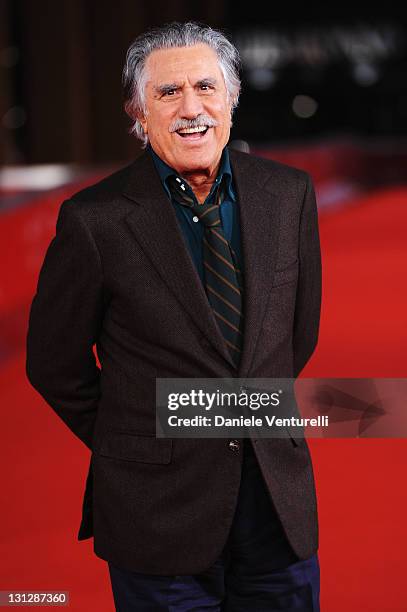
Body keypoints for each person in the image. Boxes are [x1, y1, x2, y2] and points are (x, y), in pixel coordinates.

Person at [26, 21, 322, 611]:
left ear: (232, 98)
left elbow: (297, 334)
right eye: (168, 93)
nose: (192, 109)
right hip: (154, 513)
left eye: (207, 88)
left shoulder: (289, 195)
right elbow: (54, 364)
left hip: (275, 505)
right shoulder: (94, 219)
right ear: (138, 110)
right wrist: (135, 437)